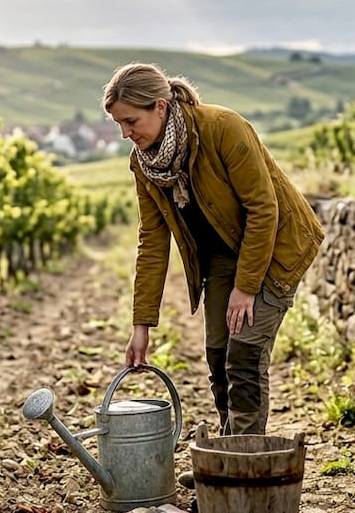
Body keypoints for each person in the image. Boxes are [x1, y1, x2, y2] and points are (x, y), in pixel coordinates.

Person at [103, 63, 324, 437]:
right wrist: (141, 325)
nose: (126, 133)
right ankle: (229, 451)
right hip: (222, 257)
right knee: (219, 356)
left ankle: (243, 460)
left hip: (274, 247)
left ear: (159, 106)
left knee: (245, 356)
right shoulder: (144, 163)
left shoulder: (222, 128)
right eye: (119, 125)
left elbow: (263, 209)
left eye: (131, 121)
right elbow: (152, 243)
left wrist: (247, 286)